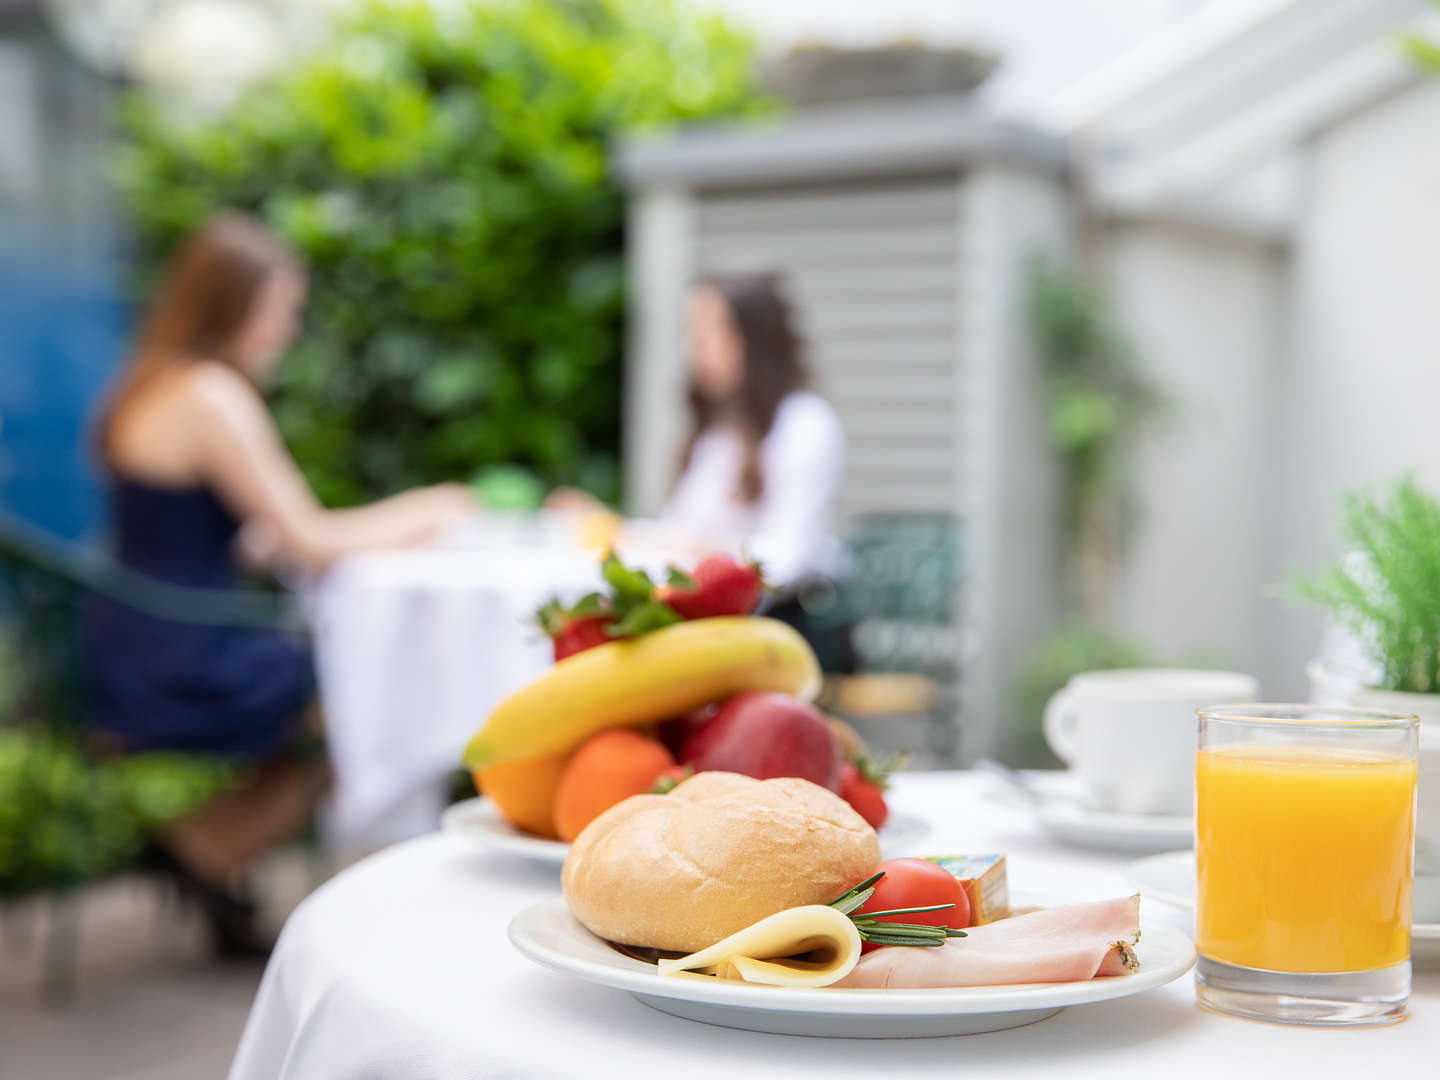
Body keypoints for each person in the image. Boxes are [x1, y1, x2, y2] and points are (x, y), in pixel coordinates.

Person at [89, 212, 473, 952]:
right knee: (367, 697)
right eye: (278, 309)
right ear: (231, 305)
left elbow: (184, 530)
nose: (284, 329)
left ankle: (200, 852)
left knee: (346, 691)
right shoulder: (209, 395)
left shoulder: (147, 385)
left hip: (134, 637)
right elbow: (312, 538)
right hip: (181, 656)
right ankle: (205, 853)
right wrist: (430, 509)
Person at [552, 273, 847, 589]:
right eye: (693, 330)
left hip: (785, 618)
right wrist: (608, 527)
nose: (696, 346)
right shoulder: (720, 433)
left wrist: (703, 551)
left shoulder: (805, 424)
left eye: (712, 329)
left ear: (757, 338)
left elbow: (784, 561)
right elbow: (679, 533)